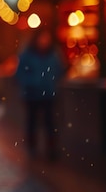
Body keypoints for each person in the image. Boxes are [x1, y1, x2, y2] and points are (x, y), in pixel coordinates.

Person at [14, 29, 65, 160]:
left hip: (48, 93)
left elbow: (59, 70)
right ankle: (32, 148)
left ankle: (52, 149)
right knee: (32, 122)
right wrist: (33, 82)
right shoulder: (27, 55)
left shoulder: (53, 55)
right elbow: (20, 74)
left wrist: (51, 81)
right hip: (32, 94)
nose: (44, 41)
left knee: (50, 123)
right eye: (42, 38)